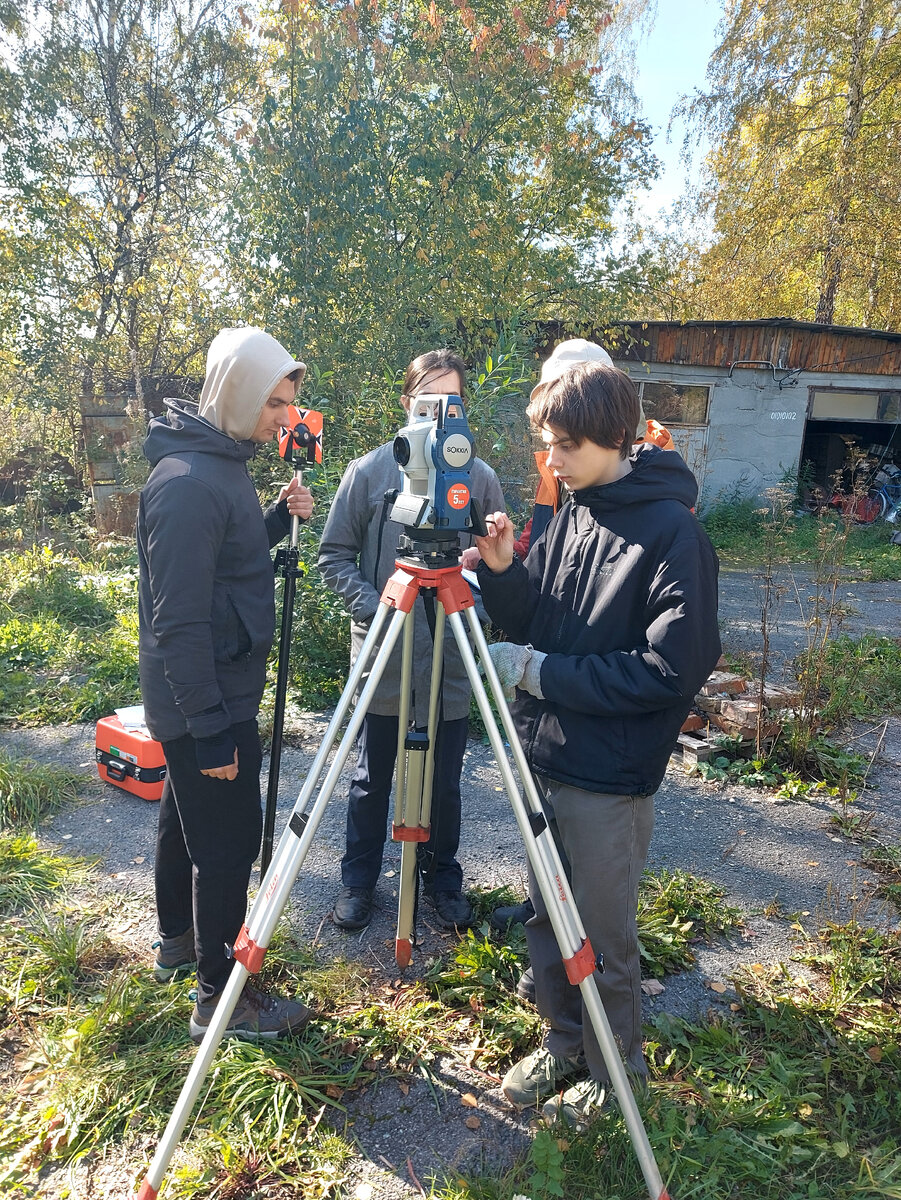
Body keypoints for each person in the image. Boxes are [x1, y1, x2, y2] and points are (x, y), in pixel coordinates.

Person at [474, 360, 720, 1124]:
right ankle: (562, 1043)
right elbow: (531, 623)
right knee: (547, 916)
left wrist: (544, 676)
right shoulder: (572, 509)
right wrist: (506, 570)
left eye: (564, 446)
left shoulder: (672, 533)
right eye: (545, 444)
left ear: (614, 438)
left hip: (606, 778)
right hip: (543, 754)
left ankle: (618, 1074)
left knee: (602, 936)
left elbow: (670, 670)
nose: (550, 461)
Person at [138, 325, 315, 1044]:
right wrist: (209, 728)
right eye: (274, 402)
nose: (285, 418)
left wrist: (274, 518)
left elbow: (229, 565)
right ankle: (222, 998)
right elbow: (177, 621)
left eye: (289, 403)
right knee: (227, 846)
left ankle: (178, 944)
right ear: (237, 393)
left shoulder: (222, 463)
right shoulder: (185, 484)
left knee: (186, 825)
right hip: (205, 698)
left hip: (211, 689)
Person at [318, 349, 505, 932]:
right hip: (386, 654)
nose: (440, 413)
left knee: (446, 780)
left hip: (448, 658)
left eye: (453, 402)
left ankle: (441, 879)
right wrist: (375, 610)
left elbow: (500, 564)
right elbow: (333, 554)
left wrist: (488, 560)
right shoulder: (370, 472)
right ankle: (359, 882)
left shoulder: (478, 477)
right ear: (406, 403)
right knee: (373, 777)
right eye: (428, 400)